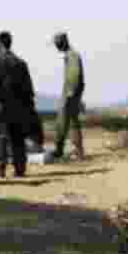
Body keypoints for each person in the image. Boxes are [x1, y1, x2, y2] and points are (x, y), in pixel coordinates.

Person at [0, 31, 36, 178]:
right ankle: (20, 170)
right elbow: (29, 91)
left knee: (0, 138)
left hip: (1, 106)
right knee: (18, 138)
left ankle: (0, 170)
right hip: (19, 107)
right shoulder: (21, 63)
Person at [52, 31, 86, 159]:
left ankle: (60, 150)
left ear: (62, 43)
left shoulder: (72, 55)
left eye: (57, 44)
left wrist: (70, 93)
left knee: (63, 120)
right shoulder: (70, 55)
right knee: (72, 121)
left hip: (70, 93)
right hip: (71, 92)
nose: (56, 46)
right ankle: (78, 151)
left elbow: (75, 74)